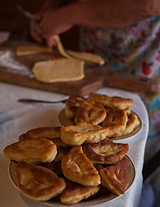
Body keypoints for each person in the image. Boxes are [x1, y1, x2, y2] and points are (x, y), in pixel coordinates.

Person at [30, 0, 160, 162]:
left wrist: (66, 16)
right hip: (93, 51)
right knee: (87, 152)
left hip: (145, 57)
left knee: (132, 155)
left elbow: (151, 4)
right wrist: (49, 12)